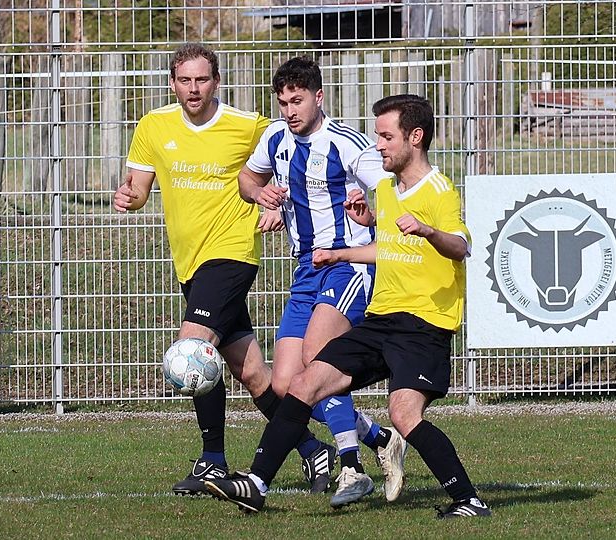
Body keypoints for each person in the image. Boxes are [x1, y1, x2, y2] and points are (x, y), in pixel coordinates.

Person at [204, 94, 492, 519]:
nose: (378, 145)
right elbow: (391, 248)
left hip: (423, 326)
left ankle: (469, 500)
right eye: (377, 136)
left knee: (404, 414)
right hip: (381, 321)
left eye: (386, 136)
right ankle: (257, 483)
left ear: (416, 137)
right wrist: (341, 252)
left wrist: (429, 230)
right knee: (305, 383)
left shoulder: (439, 189)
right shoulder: (390, 190)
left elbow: (460, 245)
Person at [112, 43, 335, 497]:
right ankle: (314, 448)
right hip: (190, 261)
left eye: (203, 80)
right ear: (173, 83)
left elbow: (298, 160)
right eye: (185, 80)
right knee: (253, 374)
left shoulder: (247, 126)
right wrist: (128, 198)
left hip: (232, 253)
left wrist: (277, 204)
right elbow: (139, 190)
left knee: (192, 350)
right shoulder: (154, 126)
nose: (194, 89)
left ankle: (212, 460)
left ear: (217, 81)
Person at [238, 56, 408, 507]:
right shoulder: (275, 138)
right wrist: (263, 196)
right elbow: (247, 178)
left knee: (318, 358)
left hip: (349, 265)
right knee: (285, 384)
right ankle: (377, 436)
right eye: (282, 103)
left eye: (297, 101)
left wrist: (369, 211)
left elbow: (392, 191)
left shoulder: (346, 144)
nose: (289, 111)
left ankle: (351, 467)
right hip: (306, 269)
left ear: (318, 97)